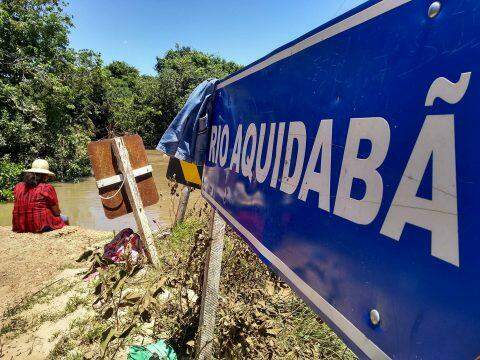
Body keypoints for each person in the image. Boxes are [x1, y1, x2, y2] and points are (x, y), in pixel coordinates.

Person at [12, 159, 69, 233]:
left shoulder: (18, 186)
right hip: (40, 225)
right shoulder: (47, 188)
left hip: (19, 225)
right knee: (65, 218)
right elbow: (56, 213)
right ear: (45, 175)